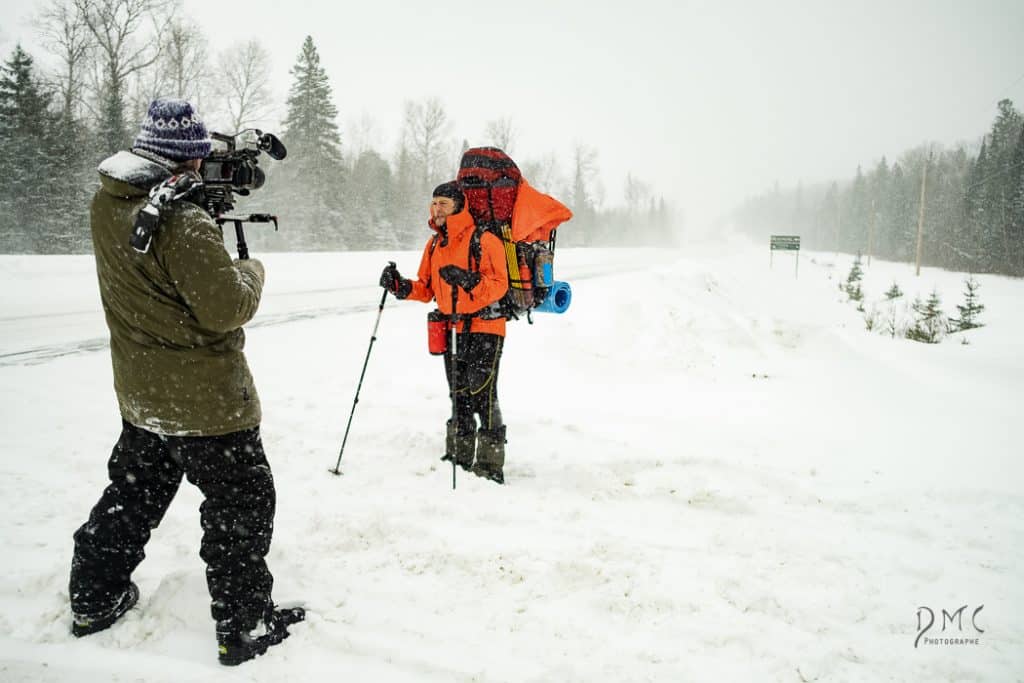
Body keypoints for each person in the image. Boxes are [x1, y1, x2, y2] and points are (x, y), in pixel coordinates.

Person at [69, 98, 303, 666]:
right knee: (241, 506)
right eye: (199, 159)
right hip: (207, 404)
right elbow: (225, 307)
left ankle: (94, 598)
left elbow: (159, 276)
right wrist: (249, 270)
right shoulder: (184, 222)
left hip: (143, 394)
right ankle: (243, 625)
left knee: (132, 495)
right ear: (185, 161)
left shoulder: (109, 202)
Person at [380, 182, 510, 483]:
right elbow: (426, 288)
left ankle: (490, 465)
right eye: (434, 202)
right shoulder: (434, 245)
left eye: (443, 203)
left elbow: (499, 285)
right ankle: (459, 455)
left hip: (485, 327)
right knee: (458, 393)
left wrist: (468, 280)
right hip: (451, 327)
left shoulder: (484, 239)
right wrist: (400, 286)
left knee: (483, 394)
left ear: (458, 207)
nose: (436, 209)